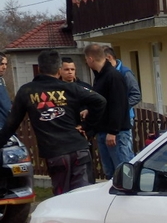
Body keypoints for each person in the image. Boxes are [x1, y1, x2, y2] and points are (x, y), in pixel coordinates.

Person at [0, 50, 106, 195]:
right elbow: (100, 101)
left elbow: (11, 124)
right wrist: (87, 126)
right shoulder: (70, 88)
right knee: (83, 195)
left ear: (39, 68)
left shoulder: (27, 91)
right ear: (59, 70)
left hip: (55, 153)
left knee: (61, 198)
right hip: (79, 149)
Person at [84, 43, 132, 178]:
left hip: (116, 133)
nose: (86, 62)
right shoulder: (99, 77)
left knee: (122, 173)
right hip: (103, 130)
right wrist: (89, 110)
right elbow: (102, 102)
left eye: (86, 59)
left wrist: (113, 131)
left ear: (91, 59)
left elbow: (118, 104)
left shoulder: (113, 76)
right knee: (110, 172)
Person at [103, 47, 141, 128]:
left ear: (109, 58)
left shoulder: (125, 73)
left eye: (101, 60)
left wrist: (120, 108)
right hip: (108, 119)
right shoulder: (104, 74)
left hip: (124, 118)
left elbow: (136, 95)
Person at [0, 52, 12, 129]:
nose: (4, 67)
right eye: (1, 64)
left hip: (6, 124)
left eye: (6, 64)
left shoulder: (1, 80)